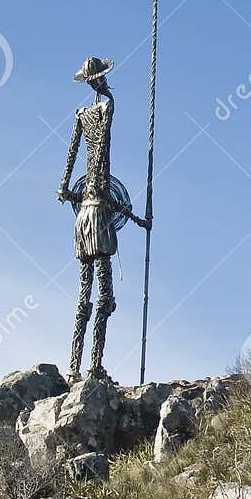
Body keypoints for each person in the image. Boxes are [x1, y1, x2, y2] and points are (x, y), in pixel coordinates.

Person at [58, 56, 149, 381]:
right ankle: (94, 366)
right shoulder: (104, 109)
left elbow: (72, 155)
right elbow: (103, 187)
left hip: (81, 215)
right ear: (101, 80)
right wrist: (136, 219)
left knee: (83, 294)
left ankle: (73, 369)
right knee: (104, 296)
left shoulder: (81, 115)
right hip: (97, 214)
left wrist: (64, 188)